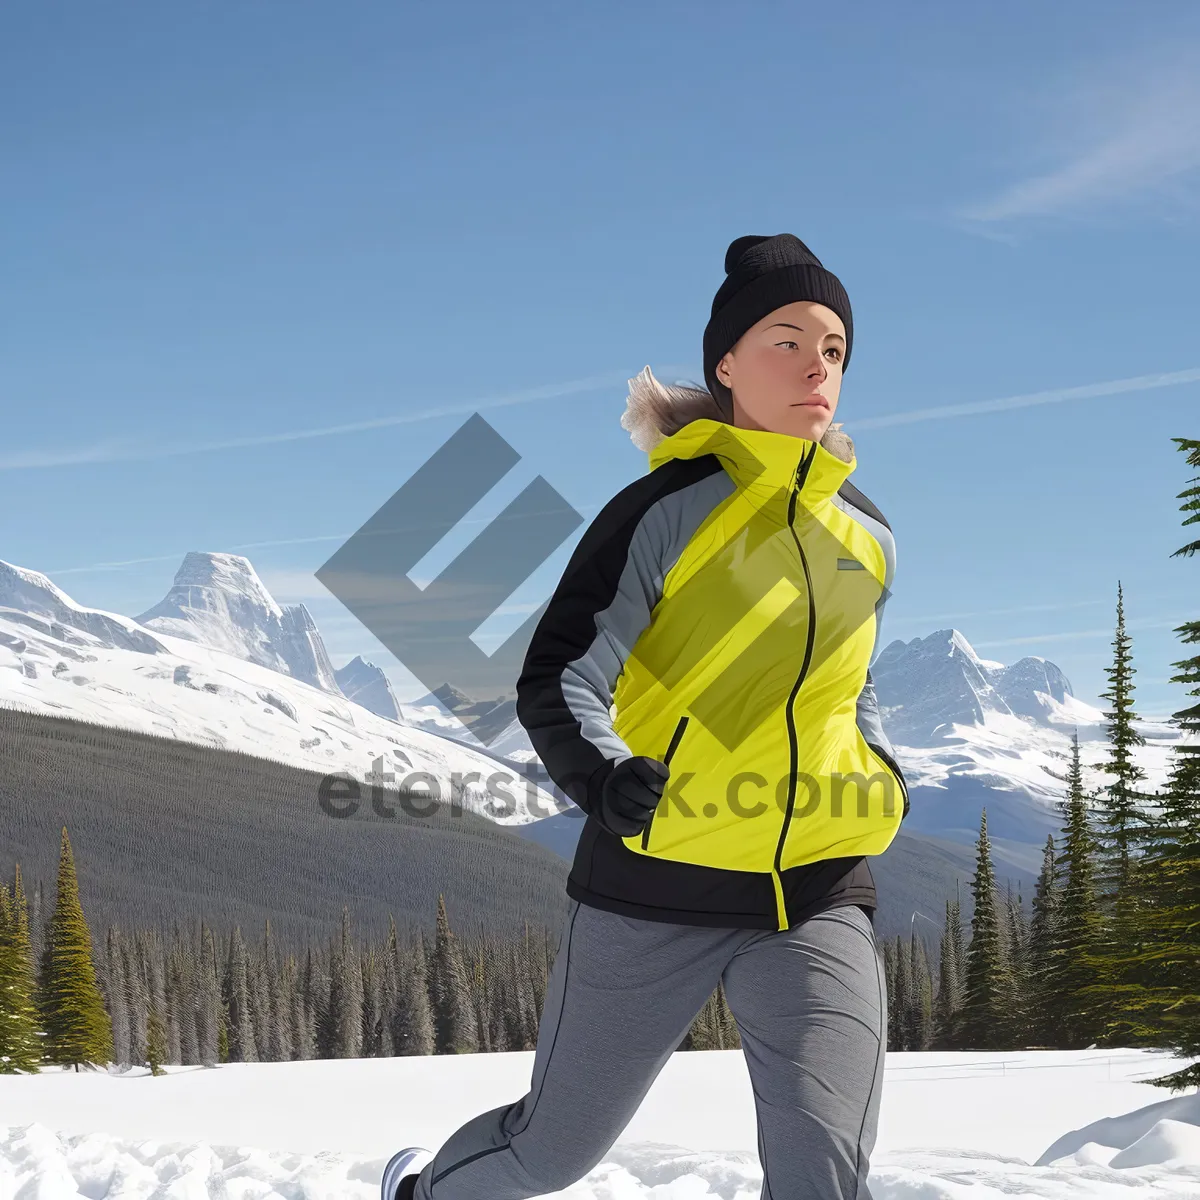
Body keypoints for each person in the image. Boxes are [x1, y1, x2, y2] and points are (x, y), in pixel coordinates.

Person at [381, 233, 909, 1200]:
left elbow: (850, 683)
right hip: (652, 887)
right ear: (727, 364)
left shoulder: (865, 531)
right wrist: (606, 779)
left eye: (833, 348)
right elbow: (558, 675)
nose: (815, 366)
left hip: (818, 892)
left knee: (824, 1173)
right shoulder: (662, 511)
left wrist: (878, 765)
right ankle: (421, 1191)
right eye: (786, 341)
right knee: (552, 1151)